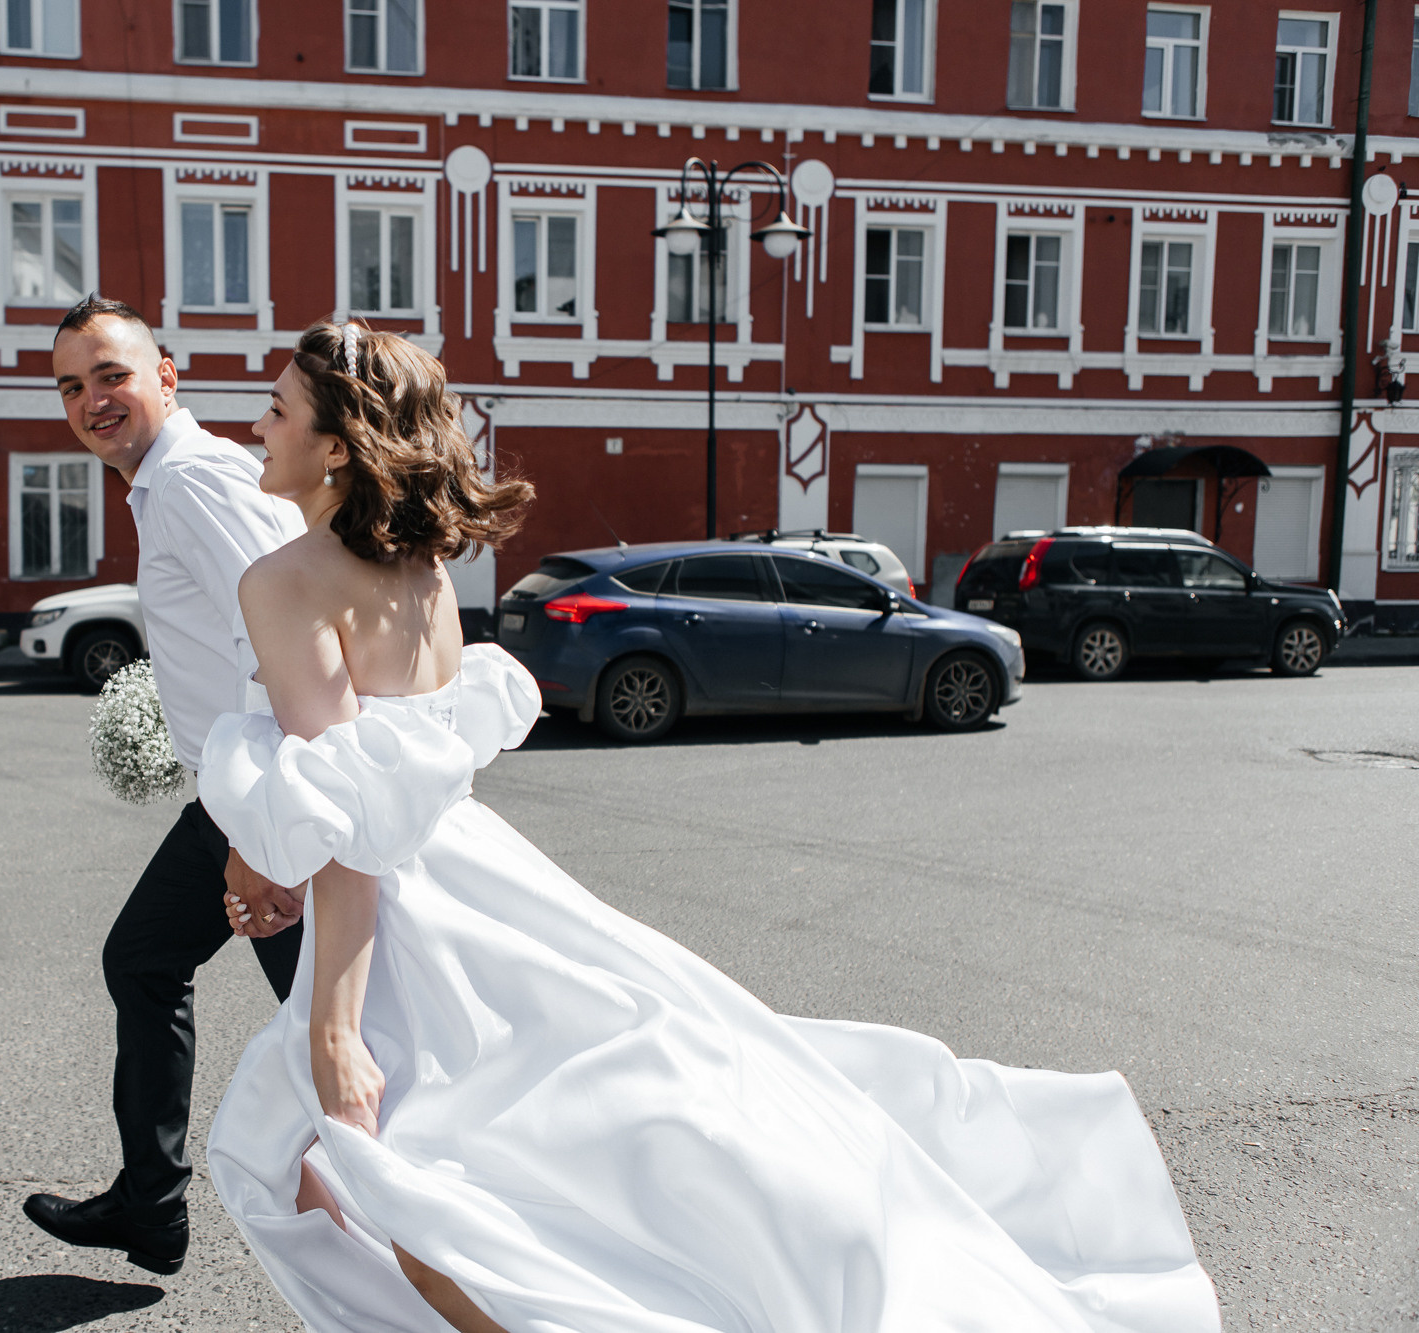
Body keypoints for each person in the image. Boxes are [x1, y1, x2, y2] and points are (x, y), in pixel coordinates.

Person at [194, 319, 1223, 1333]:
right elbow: (366, 780)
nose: (257, 424)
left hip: (408, 928)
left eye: (276, 409)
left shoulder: (283, 581)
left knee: (397, 1193)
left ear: (336, 444)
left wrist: (333, 1024)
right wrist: (261, 846)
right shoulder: (417, 570)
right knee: (488, 1169)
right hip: (483, 879)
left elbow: (350, 818)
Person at [21, 296, 306, 1277]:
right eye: (71, 385)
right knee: (142, 958)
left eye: (109, 374)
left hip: (271, 799)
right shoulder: (169, 482)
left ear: (165, 377)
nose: (91, 399)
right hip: (239, 789)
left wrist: (257, 830)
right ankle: (151, 1206)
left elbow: (290, 640)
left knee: (331, 1044)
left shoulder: (188, 481)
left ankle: (410, 1255)